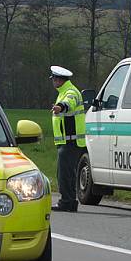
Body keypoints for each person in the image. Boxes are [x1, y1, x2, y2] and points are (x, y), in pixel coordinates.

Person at [50, 65, 86, 212]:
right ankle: (69, 202)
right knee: (65, 172)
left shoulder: (70, 92)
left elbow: (68, 104)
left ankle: (67, 202)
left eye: (54, 79)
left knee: (65, 173)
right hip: (68, 141)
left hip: (70, 141)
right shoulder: (64, 91)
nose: (53, 82)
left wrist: (60, 107)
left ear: (59, 80)